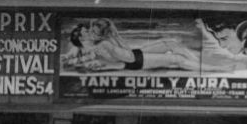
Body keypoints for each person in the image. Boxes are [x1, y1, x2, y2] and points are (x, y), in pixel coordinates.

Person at [65, 18, 202, 72]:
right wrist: (114, 36)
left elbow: (126, 52)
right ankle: (204, 68)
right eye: (86, 32)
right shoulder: (101, 45)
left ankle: (199, 61)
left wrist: (114, 36)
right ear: (82, 38)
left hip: (135, 55)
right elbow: (128, 57)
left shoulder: (97, 44)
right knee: (177, 59)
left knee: (170, 43)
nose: (90, 31)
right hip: (135, 61)